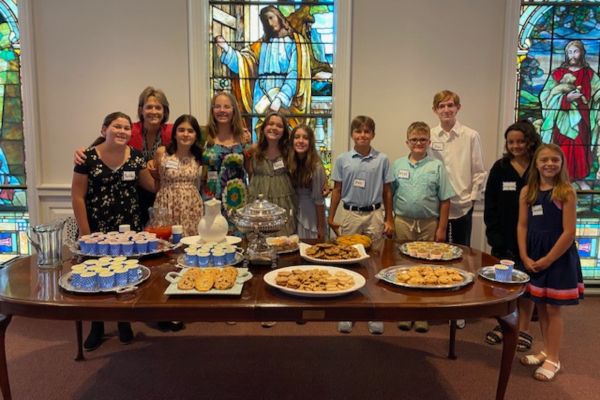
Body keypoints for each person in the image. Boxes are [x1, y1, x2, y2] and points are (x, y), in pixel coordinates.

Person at [71, 112, 155, 351]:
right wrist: (86, 234)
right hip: (96, 229)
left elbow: (150, 185)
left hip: (128, 229)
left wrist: (167, 169)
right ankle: (96, 325)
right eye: (117, 126)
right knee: (97, 276)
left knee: (126, 273)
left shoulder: (135, 157)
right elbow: (77, 196)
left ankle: (123, 322)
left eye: (126, 128)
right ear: (104, 129)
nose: (122, 131)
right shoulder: (86, 158)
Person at [517, 144, 584, 381]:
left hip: (557, 257)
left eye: (555, 160)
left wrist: (548, 259)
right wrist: (525, 256)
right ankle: (546, 350)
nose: (549, 164)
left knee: (554, 309)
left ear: (562, 163)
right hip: (534, 255)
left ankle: (554, 359)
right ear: (536, 163)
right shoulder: (527, 191)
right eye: (544, 159)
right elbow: (522, 225)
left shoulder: (565, 192)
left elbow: (569, 232)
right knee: (541, 305)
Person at [328, 115, 394, 335]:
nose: (362, 135)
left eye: (367, 131)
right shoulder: (343, 159)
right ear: (352, 134)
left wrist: (389, 218)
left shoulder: (382, 159)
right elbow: (337, 189)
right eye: (358, 131)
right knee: (348, 261)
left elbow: (387, 191)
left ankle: (374, 312)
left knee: (374, 264)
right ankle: (347, 312)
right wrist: (331, 216)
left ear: (373, 135)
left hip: (374, 214)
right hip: (350, 214)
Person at [74, 87, 173, 225]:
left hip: (161, 192)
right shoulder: (128, 129)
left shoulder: (172, 132)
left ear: (165, 111)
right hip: (134, 195)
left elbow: (186, 149)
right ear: (141, 110)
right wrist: (82, 153)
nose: (154, 111)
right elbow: (105, 142)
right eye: (149, 107)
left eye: (158, 107)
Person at [484, 120, 542, 351]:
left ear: (529, 141)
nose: (516, 145)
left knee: (527, 284)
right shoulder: (500, 168)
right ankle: (504, 324)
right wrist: (494, 236)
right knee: (504, 285)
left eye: (520, 141)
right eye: (511, 142)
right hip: (504, 237)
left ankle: (524, 329)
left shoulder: (539, 167)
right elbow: (491, 204)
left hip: (532, 236)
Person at [392, 122, 455, 333]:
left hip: (429, 224)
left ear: (429, 142)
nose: (418, 143)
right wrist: (389, 220)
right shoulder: (398, 165)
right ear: (407, 142)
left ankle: (422, 315)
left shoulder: (436, 167)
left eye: (422, 139)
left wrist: (441, 228)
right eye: (414, 139)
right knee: (403, 266)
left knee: (426, 268)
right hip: (402, 221)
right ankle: (405, 312)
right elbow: (389, 194)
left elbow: (445, 200)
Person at [214, 5, 312, 139]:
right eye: (265, 21)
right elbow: (245, 62)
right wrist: (227, 50)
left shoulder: (294, 43)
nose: (270, 23)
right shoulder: (261, 44)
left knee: (281, 134)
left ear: (279, 17)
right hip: (261, 95)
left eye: (271, 18)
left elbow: (294, 74)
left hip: (284, 97)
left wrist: (280, 98)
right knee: (260, 135)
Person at [429, 90, 486, 246]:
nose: (446, 110)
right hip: (436, 206)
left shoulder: (471, 136)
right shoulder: (429, 136)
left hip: (463, 205)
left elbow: (479, 171)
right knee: (437, 252)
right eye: (441, 106)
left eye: (450, 105)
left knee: (462, 251)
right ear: (435, 110)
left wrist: (473, 198)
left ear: (458, 107)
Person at [539, 40, 600, 183]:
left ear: (582, 53)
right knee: (563, 147)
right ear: (566, 54)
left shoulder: (589, 74)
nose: (573, 55)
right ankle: (560, 177)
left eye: (576, 51)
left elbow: (598, 92)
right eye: (570, 52)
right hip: (561, 118)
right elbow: (546, 95)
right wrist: (566, 99)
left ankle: (580, 178)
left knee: (580, 146)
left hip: (583, 119)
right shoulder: (558, 73)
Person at [201, 92, 251, 234]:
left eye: (226, 107)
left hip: (237, 199)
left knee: (237, 242)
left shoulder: (243, 138)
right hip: (211, 198)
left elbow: (250, 170)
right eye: (217, 107)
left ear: (233, 110)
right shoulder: (204, 136)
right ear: (212, 110)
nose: (222, 110)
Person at [150, 114, 204, 237]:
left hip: (191, 205)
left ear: (196, 136)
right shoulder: (162, 153)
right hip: (166, 203)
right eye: (181, 130)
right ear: (174, 134)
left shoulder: (199, 156)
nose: (185, 134)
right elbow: (156, 178)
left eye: (190, 131)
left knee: (190, 241)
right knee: (165, 242)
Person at [247, 111, 297, 236]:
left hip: (283, 200)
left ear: (284, 131)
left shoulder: (289, 152)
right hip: (258, 199)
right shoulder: (253, 151)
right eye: (270, 124)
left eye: (279, 126)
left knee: (283, 240)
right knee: (258, 238)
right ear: (263, 128)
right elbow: (248, 172)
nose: (274, 128)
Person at [288, 124, 327, 240]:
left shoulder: (316, 167)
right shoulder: (289, 162)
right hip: (293, 210)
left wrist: (320, 226)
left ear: (311, 142)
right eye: (297, 137)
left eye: (305, 138)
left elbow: (319, 201)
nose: (300, 141)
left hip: (310, 213)